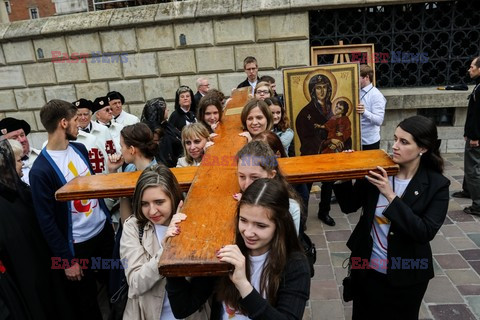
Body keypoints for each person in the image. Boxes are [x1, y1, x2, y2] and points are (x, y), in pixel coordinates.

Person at [333, 115, 450, 319]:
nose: (395, 146)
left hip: (407, 273)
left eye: (404, 142)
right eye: (395, 138)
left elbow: (424, 232)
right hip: (366, 268)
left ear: (423, 148)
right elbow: (349, 206)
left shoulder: (437, 185)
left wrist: (390, 195)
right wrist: (345, 173)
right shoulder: (378, 169)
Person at [166, 178, 310, 320]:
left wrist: (243, 285)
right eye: (243, 220)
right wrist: (171, 254)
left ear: (280, 225)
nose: (248, 232)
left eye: (260, 225)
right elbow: (183, 309)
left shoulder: (295, 264)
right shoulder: (226, 247)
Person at [29, 99, 114, 320]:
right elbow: (45, 220)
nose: (81, 124)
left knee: (115, 283)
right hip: (78, 246)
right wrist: (66, 260)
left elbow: (91, 185)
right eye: (76, 119)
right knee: (86, 302)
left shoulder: (79, 148)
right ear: (64, 123)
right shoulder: (40, 171)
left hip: (103, 233)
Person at [120, 164, 209, 320]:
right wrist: (164, 251)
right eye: (144, 204)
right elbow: (135, 283)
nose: (152, 211)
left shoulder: (194, 222)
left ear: (174, 197)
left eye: (159, 202)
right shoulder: (133, 227)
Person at [0, 140, 73, 320]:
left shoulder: (20, 191)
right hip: (28, 280)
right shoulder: (4, 205)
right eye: (17, 160)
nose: (23, 163)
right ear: (5, 166)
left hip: (47, 270)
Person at [295, 74, 336, 226]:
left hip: (329, 155)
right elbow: (305, 137)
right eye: (318, 88)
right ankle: (302, 216)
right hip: (311, 155)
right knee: (306, 187)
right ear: (312, 91)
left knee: (328, 184)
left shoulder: (334, 108)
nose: (322, 91)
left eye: (325, 87)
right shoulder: (305, 113)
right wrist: (323, 140)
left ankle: (324, 212)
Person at [235, 141, 302, 234]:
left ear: (271, 174)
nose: (246, 185)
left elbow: (289, 246)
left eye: (254, 177)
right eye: (242, 176)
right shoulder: (238, 199)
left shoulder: (291, 208)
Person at [108, 122, 158, 223]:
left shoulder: (155, 176)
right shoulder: (130, 168)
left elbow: (126, 220)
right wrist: (113, 170)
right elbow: (115, 196)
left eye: (122, 146)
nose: (120, 151)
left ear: (131, 149)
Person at [453, 56, 480, 216]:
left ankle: (478, 204)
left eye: (472, 67)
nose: (469, 69)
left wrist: (475, 136)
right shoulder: (478, 86)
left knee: (473, 169)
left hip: (476, 137)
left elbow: (478, 116)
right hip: (472, 134)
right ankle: (467, 191)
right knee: (470, 165)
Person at [140, 97, 183, 167]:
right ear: (159, 111)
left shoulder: (167, 126)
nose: (168, 110)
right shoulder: (155, 133)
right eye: (165, 109)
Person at [0, 117, 40, 185]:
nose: (22, 140)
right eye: (14, 138)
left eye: (22, 135)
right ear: (3, 144)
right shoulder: (2, 169)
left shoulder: (42, 156)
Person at [356, 64, 386, 150]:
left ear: (366, 77)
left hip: (369, 142)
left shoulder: (376, 95)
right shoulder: (356, 90)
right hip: (356, 140)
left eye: (358, 78)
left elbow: (379, 121)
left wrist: (364, 112)